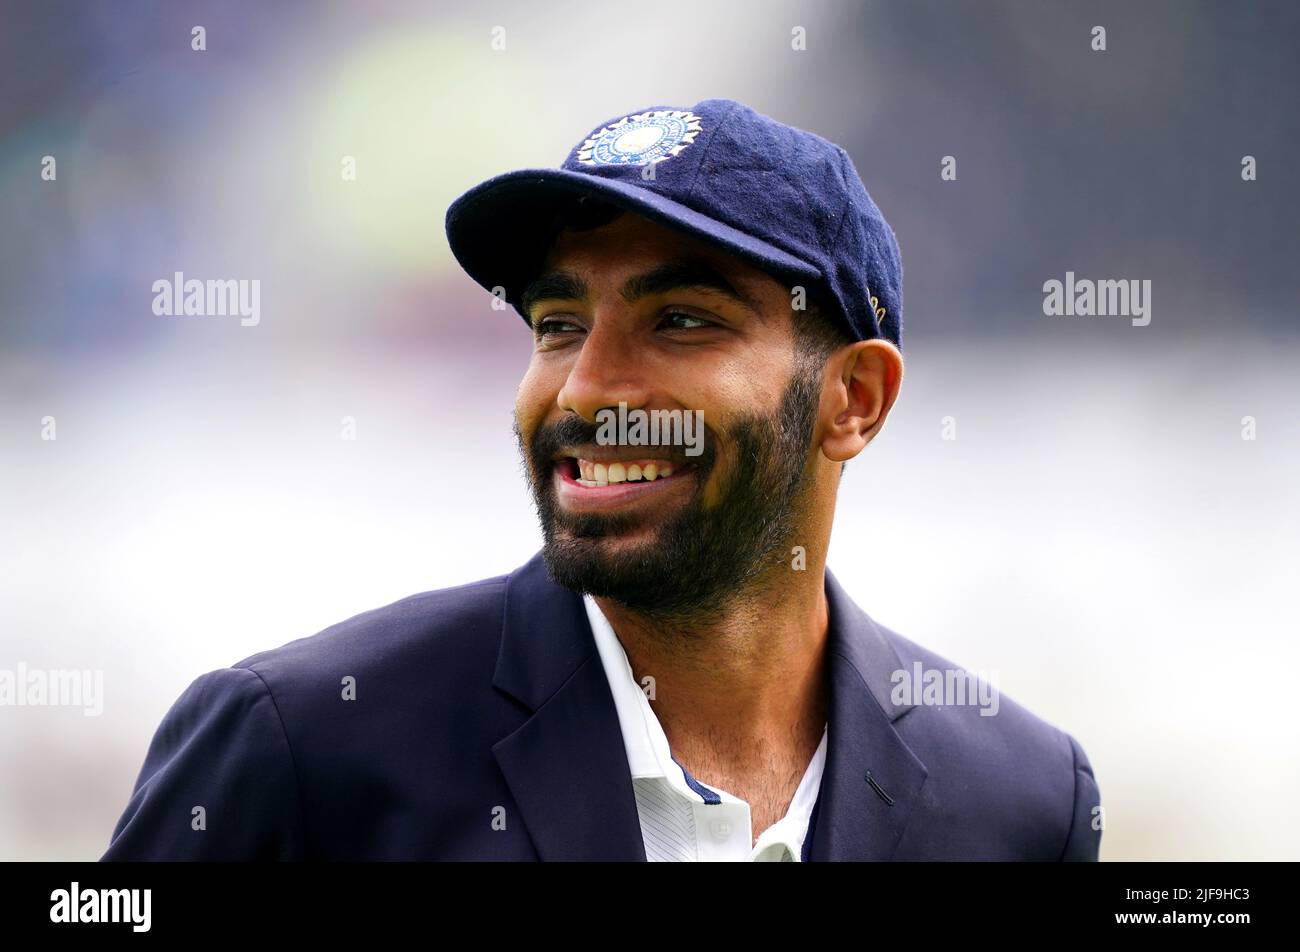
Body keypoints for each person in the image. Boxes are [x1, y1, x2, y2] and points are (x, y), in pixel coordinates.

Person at [101, 98, 1101, 861]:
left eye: (680, 321)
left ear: (854, 400)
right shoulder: (303, 746)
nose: (585, 391)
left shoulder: (1019, 800)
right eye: (558, 325)